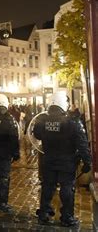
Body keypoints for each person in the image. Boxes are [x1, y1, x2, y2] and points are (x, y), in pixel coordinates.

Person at [34, 93, 91, 227]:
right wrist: (87, 161)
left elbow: (36, 134)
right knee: (66, 188)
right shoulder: (72, 122)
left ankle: (44, 213)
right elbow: (81, 143)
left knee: (47, 186)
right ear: (62, 104)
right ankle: (67, 217)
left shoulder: (42, 120)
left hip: (48, 159)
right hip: (67, 161)